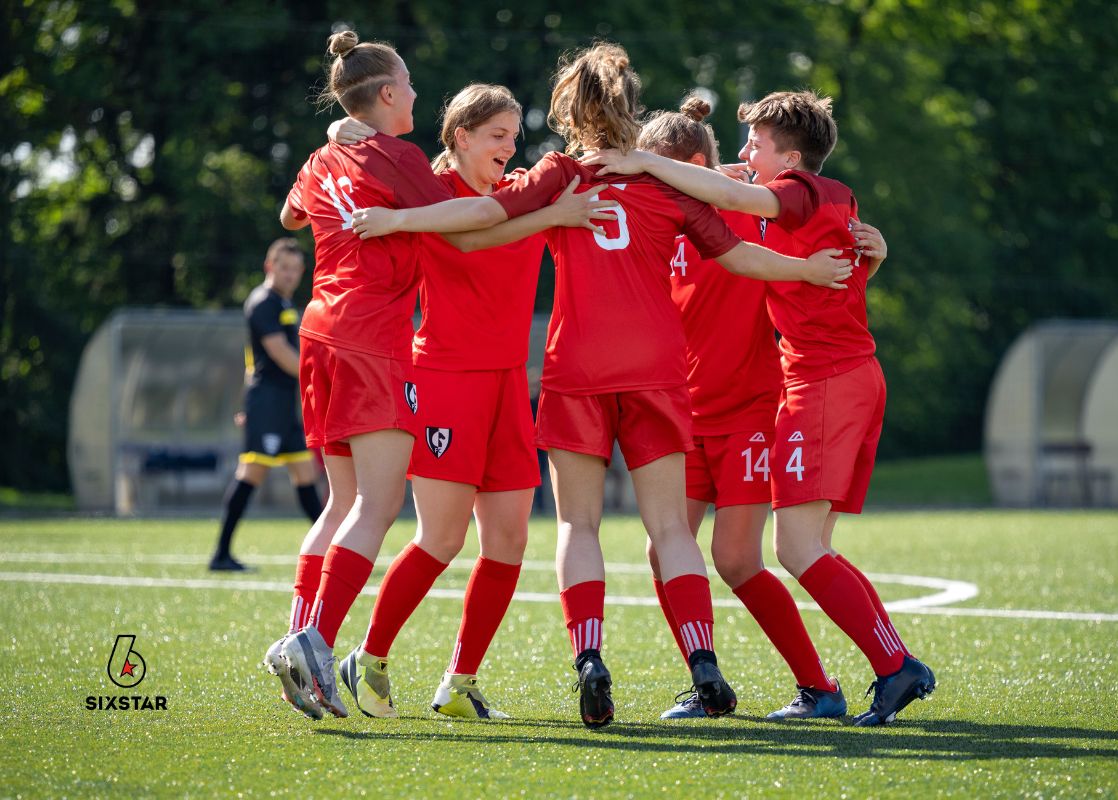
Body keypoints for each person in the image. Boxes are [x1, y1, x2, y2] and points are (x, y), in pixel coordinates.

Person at [348, 43, 854, 728]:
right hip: (656, 370)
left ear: (568, 109)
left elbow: (484, 216)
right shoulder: (664, 180)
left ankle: (589, 657)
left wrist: (396, 215)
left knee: (576, 524)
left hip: (577, 369)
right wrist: (809, 270)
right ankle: (703, 659)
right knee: (670, 527)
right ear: (631, 107)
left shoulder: (560, 174)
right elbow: (739, 255)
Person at [265, 31, 611, 721]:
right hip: (435, 373)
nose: (509, 145)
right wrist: (548, 212)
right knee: (432, 534)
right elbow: (473, 231)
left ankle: (456, 680)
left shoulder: (508, 188)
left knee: (508, 538)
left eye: (514, 135)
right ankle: (353, 652)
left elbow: (299, 207)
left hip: (499, 381)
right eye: (496, 134)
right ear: (459, 136)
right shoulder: (428, 185)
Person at [584, 89, 936, 726]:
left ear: (688, 167)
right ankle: (708, 678)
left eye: (655, 169)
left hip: (751, 409)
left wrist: (868, 257)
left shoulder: (752, 210)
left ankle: (825, 685)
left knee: (744, 557)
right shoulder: (654, 214)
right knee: (666, 550)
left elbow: (816, 259)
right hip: (681, 411)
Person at [209, 238, 323, 572]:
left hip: (283, 405)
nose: (290, 274)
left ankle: (331, 551)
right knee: (251, 474)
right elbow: (280, 354)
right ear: (268, 266)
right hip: (267, 404)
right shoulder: (263, 302)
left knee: (305, 475)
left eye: (296, 269)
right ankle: (221, 554)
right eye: (283, 267)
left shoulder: (283, 303)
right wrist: (320, 378)